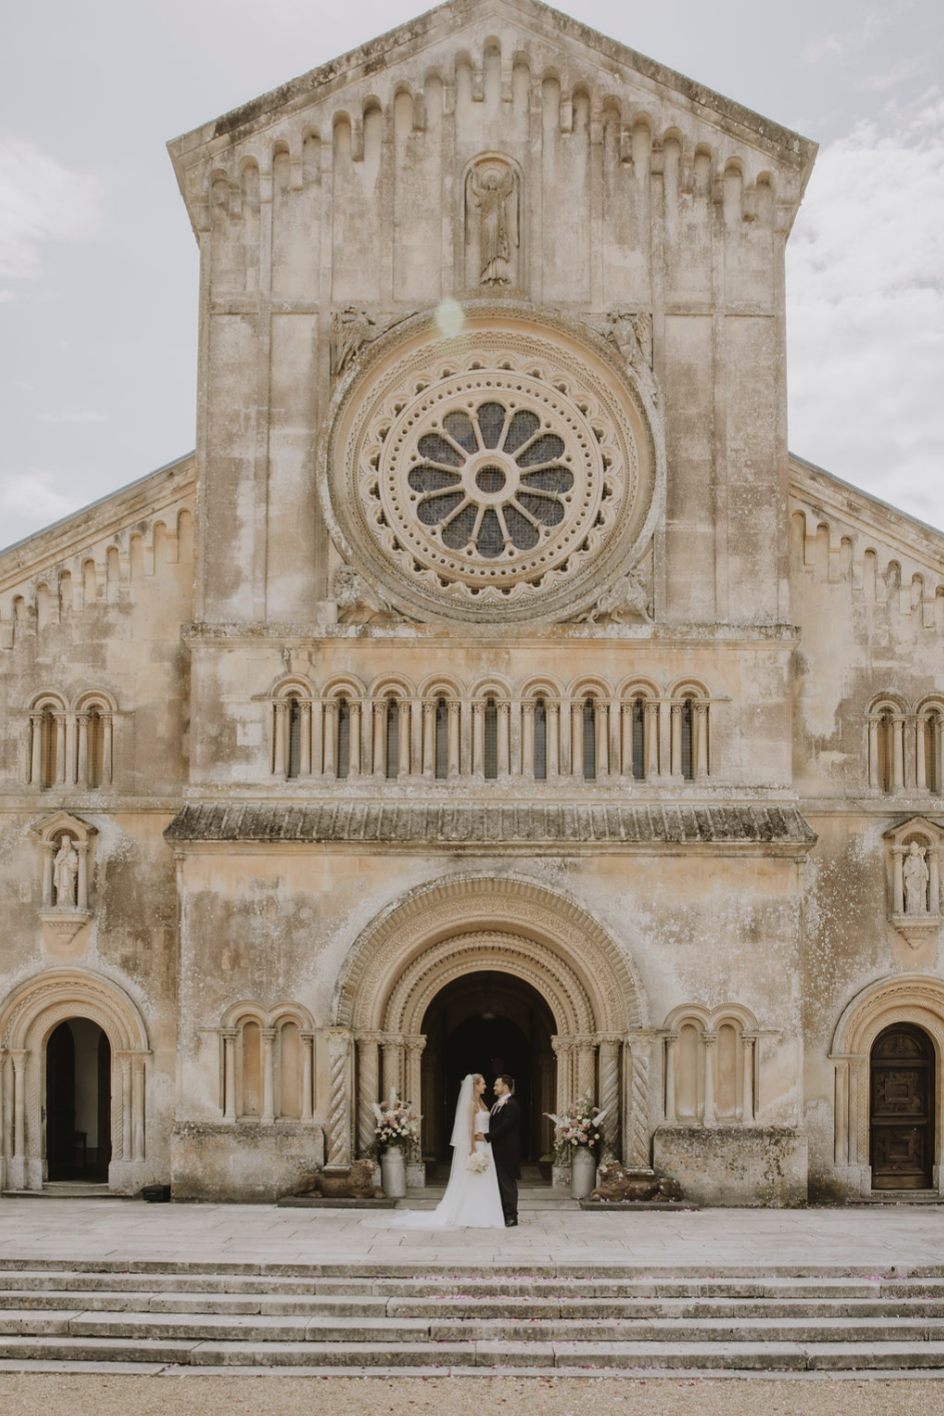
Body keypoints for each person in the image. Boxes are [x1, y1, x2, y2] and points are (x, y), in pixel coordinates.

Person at [362, 1072, 505, 1229]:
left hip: (485, 1145)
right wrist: (472, 1148)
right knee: (473, 1179)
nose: (485, 1085)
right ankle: (472, 1213)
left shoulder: (483, 1104)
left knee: (485, 1177)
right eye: (483, 1083)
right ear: (475, 1086)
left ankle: (486, 1212)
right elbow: (470, 1127)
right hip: (476, 1146)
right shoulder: (471, 1104)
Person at [487, 1073, 521, 1227]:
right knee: (500, 1183)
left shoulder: (512, 1105)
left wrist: (487, 1137)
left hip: (507, 1151)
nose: (494, 1088)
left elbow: (505, 1126)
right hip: (498, 1150)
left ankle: (512, 1216)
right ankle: (503, 1213)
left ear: (505, 1087)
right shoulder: (498, 1103)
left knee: (508, 1184)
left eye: (496, 1085)